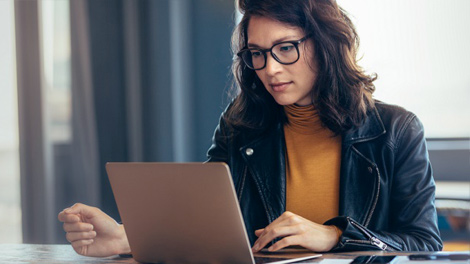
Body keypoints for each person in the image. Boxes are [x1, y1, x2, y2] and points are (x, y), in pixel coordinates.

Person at [58, 0, 443, 257]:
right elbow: (205, 223)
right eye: (257, 53)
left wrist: (336, 237)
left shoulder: (395, 130)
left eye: (286, 48)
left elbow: (424, 244)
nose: (270, 68)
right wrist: (128, 237)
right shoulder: (241, 124)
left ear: (326, 44)